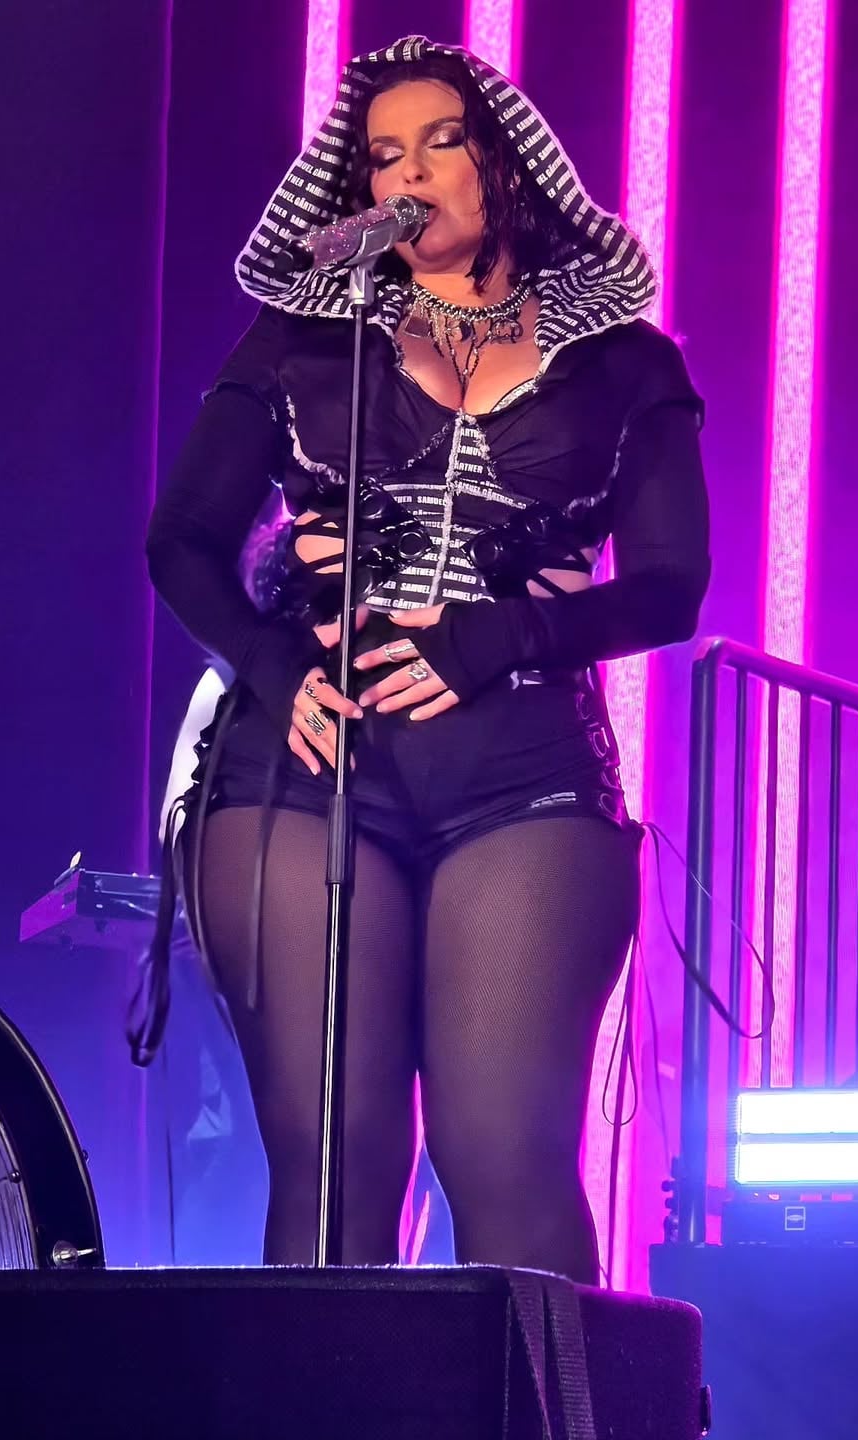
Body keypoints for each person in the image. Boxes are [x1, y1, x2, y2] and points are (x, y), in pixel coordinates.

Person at [142, 35, 710, 1284]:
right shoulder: (301, 342)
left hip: (523, 768)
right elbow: (180, 541)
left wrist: (507, 631)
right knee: (336, 1160)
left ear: (504, 162)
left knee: (503, 1156)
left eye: (439, 142)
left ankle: (549, 1394)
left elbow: (674, 586)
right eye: (382, 155)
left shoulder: (626, 364)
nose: (408, 174)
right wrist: (272, 662)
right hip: (304, 764)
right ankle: (323, 1391)